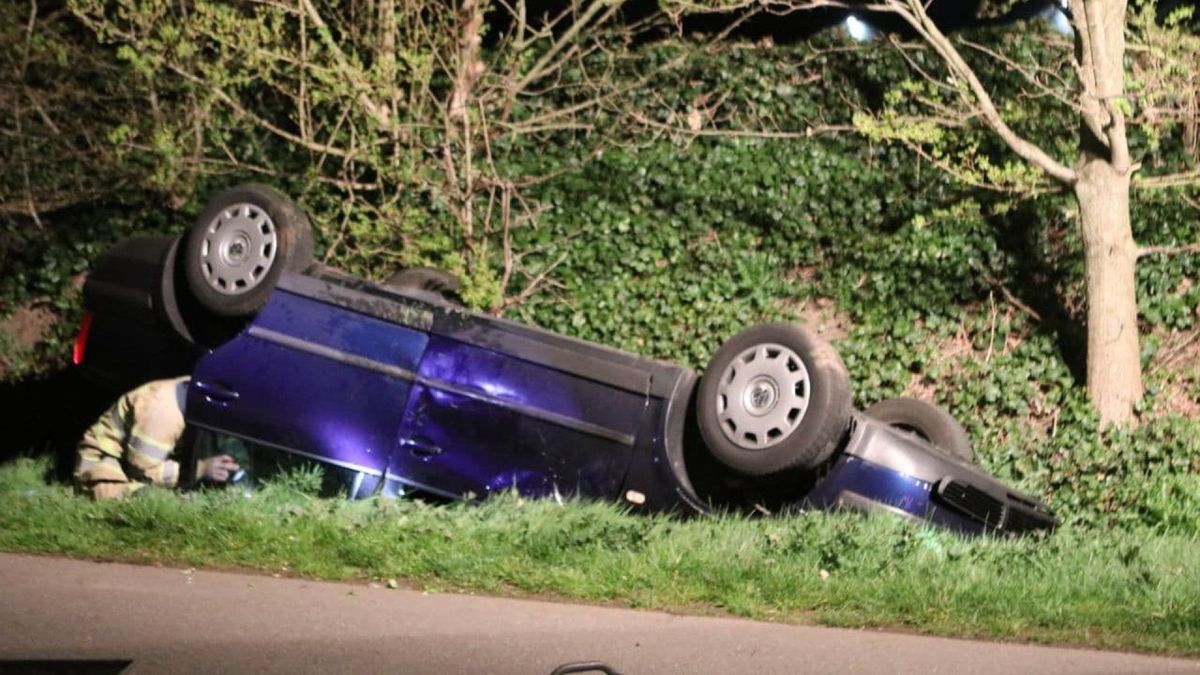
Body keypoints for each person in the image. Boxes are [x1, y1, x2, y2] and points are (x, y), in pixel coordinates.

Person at [74, 375, 240, 500]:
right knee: (149, 498)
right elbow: (141, 472)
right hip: (105, 463)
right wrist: (199, 469)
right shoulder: (162, 414)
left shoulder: (199, 391)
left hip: (145, 456)